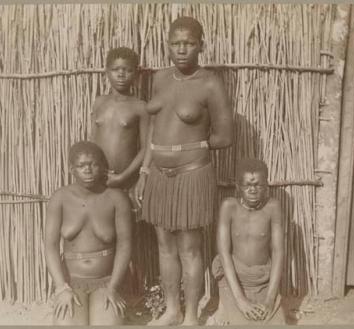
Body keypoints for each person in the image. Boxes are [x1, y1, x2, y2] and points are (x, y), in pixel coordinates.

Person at [135, 16, 233, 326]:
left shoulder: (209, 83)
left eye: (189, 44)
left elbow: (225, 136)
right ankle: (172, 311)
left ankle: (191, 315)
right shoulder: (160, 79)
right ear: (167, 45)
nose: (182, 50)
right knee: (165, 247)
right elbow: (154, 129)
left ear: (201, 46)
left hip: (192, 174)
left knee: (189, 248)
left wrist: (189, 148)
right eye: (176, 43)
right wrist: (146, 171)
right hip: (159, 176)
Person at [44, 141, 133, 325]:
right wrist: (62, 288)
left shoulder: (116, 199)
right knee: (66, 324)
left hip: (106, 281)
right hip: (71, 282)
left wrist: (113, 287)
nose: (88, 170)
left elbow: (125, 245)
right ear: (71, 169)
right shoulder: (60, 198)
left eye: (93, 165)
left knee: (107, 324)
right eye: (81, 166)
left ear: (101, 167)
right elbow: (50, 246)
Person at [206, 158, 284, 325]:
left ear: (266, 186)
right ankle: (224, 306)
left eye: (258, 185)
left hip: (262, 279)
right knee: (242, 322)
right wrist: (240, 300)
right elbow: (224, 253)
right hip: (233, 278)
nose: (253, 190)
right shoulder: (229, 207)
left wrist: (270, 299)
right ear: (237, 187)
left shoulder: (273, 207)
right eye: (247, 185)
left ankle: (227, 309)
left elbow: (278, 252)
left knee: (271, 321)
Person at [91, 47, 148, 193]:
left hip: (125, 181)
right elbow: (92, 140)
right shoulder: (99, 103)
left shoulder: (140, 107)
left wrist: (123, 176)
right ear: (107, 72)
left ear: (136, 73)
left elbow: (145, 148)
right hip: (97, 179)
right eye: (115, 70)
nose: (121, 75)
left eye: (127, 70)